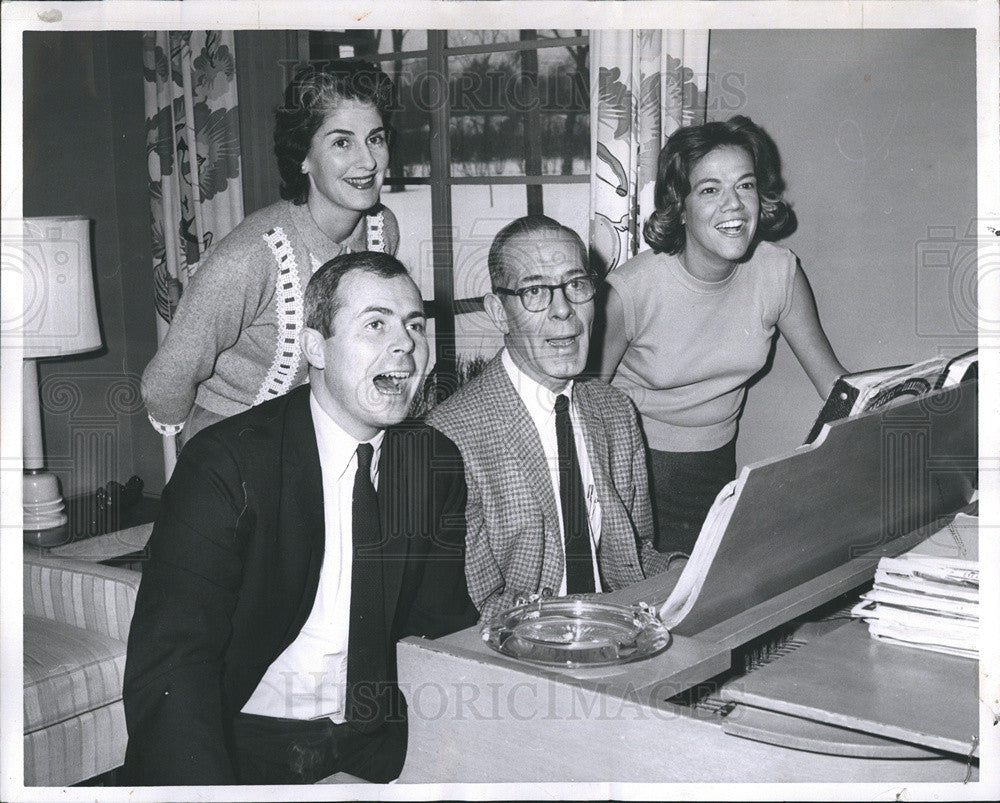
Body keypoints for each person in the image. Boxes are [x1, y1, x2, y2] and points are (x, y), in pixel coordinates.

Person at [122, 252, 477, 785]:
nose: (404, 344)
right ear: (315, 347)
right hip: (247, 752)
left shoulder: (431, 462)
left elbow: (439, 625)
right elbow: (174, 667)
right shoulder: (226, 466)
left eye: (414, 325)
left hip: (383, 749)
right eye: (375, 324)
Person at [599, 115, 846, 555]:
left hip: (715, 466)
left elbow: (835, 388)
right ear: (680, 204)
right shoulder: (631, 292)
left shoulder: (778, 271)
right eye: (710, 189)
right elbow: (582, 410)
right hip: (633, 472)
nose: (733, 205)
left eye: (745, 186)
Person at [427, 215, 676, 623]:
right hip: (522, 653)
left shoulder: (615, 412)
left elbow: (635, 554)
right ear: (498, 311)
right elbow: (477, 608)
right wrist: (585, 627)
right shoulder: (450, 436)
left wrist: (682, 571)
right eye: (536, 291)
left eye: (577, 285)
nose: (564, 310)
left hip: (616, 630)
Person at [142, 60, 401, 442]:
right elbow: (165, 380)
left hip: (322, 430)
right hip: (232, 438)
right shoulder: (253, 254)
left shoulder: (382, 230)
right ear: (303, 157)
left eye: (375, 139)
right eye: (342, 142)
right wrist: (199, 461)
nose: (367, 161)